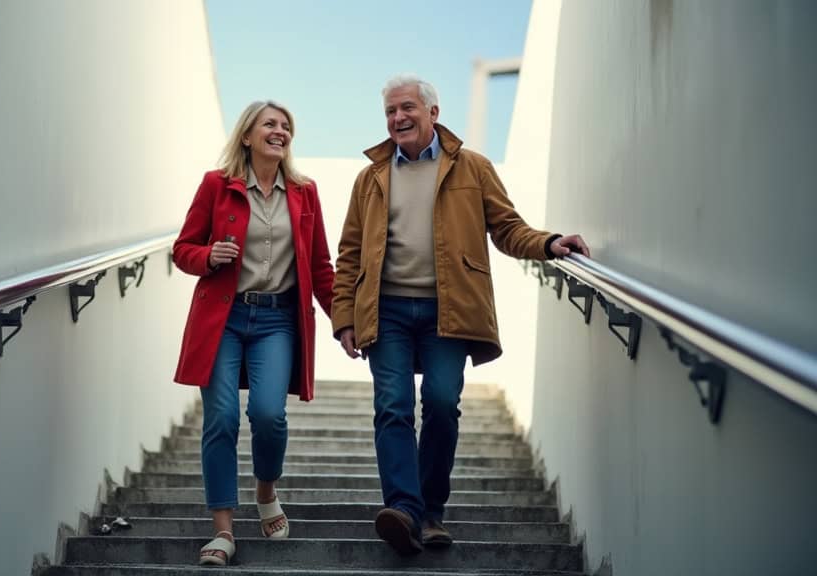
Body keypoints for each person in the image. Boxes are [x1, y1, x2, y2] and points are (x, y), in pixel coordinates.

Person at [331, 74, 590, 556]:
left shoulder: (472, 167)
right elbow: (350, 252)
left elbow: (507, 228)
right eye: (390, 111)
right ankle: (405, 510)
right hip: (385, 310)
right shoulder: (370, 178)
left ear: (433, 112)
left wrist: (550, 243)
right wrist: (343, 314)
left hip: (449, 308)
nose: (397, 118)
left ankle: (432, 512)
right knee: (392, 406)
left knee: (443, 403)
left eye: (407, 108)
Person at [172, 100, 335, 566]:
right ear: (247, 135)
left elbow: (320, 266)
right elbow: (182, 249)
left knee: (268, 415)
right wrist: (208, 257)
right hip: (222, 318)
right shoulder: (216, 186)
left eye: (286, 125)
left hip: (277, 320)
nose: (280, 131)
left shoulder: (305, 192)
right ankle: (223, 531)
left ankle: (266, 489)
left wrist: (343, 321)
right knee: (221, 419)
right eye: (270, 124)